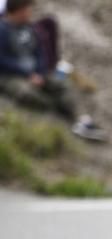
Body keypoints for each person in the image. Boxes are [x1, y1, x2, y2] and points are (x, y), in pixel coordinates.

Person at [0, 0, 104, 141]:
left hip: (35, 72)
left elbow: (40, 53)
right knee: (27, 93)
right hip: (11, 76)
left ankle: (80, 120)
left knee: (61, 84)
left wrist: (40, 72)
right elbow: (3, 61)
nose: (29, 13)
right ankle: (58, 112)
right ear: (17, 11)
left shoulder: (30, 28)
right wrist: (27, 74)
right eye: (26, 9)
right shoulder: (3, 31)